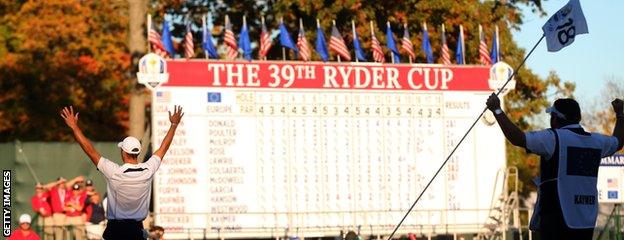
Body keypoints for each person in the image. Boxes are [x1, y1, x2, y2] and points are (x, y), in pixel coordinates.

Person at [486, 95, 624, 239]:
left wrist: (497, 110)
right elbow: (619, 141)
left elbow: (518, 138)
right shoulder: (596, 141)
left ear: (556, 118)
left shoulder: (553, 138)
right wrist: (620, 114)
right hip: (586, 221)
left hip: (557, 220)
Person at [60, 105, 184, 239]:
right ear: (137, 152)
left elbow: (90, 150)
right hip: (136, 229)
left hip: (116, 230)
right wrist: (174, 124)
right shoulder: (148, 170)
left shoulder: (115, 172)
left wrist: (74, 127)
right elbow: (163, 147)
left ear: (123, 152)